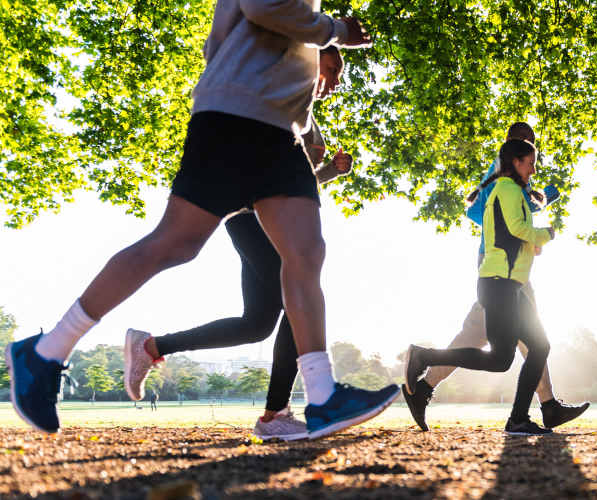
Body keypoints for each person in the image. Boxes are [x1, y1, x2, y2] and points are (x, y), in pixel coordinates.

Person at [5, 3, 397, 438]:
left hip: (278, 128)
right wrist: (333, 32)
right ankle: (45, 352)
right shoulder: (312, 28)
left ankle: (322, 397)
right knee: (175, 243)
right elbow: (263, 6)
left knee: (305, 253)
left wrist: (321, 49)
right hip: (238, 116)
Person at [120, 48, 354, 442]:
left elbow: (297, 184)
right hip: (250, 215)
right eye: (331, 71)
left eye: (338, 77)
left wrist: (331, 169)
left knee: (258, 323)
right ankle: (275, 413)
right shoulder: (281, 98)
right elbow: (261, 166)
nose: (334, 83)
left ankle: (151, 345)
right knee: (297, 298)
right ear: (310, 61)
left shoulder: (308, 120)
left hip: (260, 218)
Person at [402, 123, 589, 432]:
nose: (533, 163)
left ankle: (426, 386)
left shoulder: (515, 182)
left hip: (509, 270)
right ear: (514, 152)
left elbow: (516, 218)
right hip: (499, 268)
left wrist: (535, 213)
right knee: (515, 343)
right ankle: (543, 407)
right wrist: (516, 232)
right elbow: (480, 213)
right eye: (527, 152)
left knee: (503, 337)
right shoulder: (502, 177)